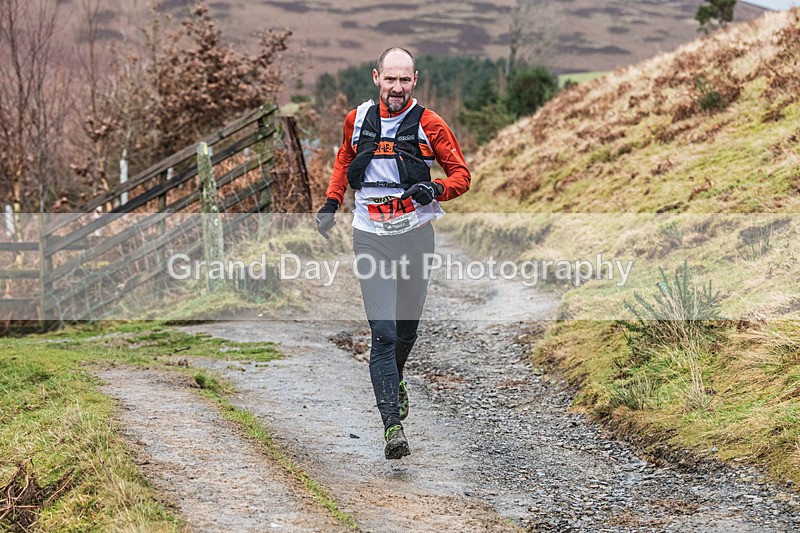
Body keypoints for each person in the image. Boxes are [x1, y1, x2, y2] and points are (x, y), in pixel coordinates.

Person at [316, 47, 470, 459]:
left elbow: (461, 175)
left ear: (414, 80)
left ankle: (394, 378)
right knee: (382, 332)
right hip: (370, 236)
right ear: (376, 78)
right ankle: (392, 427)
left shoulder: (430, 124)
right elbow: (345, 159)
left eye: (404, 80)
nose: (397, 87)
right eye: (390, 79)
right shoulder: (357, 119)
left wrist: (435, 188)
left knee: (406, 330)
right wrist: (332, 201)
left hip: (415, 236)